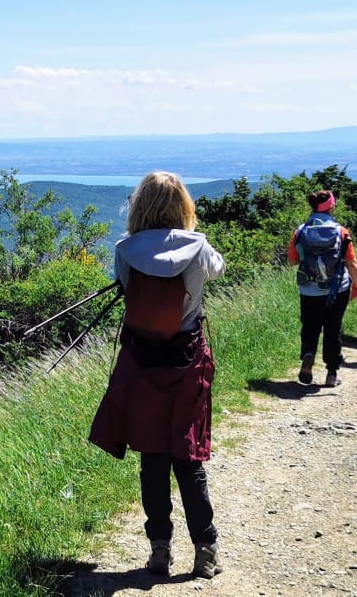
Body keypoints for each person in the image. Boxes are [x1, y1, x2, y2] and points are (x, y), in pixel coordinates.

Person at [88, 171, 226, 579]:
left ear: (140, 205)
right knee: (188, 457)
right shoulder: (198, 247)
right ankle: (205, 551)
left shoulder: (125, 249)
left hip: (141, 362)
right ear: (183, 206)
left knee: (152, 458)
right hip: (188, 361)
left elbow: (122, 284)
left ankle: (159, 551)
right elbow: (218, 270)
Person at [289, 190, 357, 387]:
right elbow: (352, 263)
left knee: (310, 326)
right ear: (331, 207)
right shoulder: (341, 232)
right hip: (337, 289)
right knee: (333, 329)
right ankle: (332, 373)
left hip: (309, 290)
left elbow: (292, 260)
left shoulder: (301, 231)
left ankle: (308, 354)